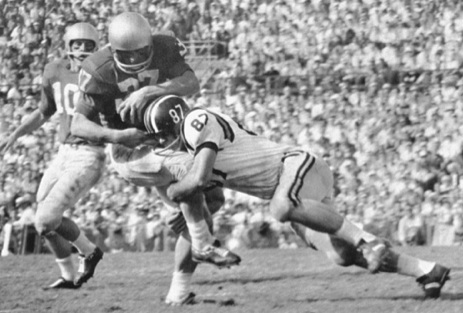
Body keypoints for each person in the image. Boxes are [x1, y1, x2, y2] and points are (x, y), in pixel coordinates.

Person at [143, 95, 451, 299]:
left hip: (293, 164)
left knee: (280, 208)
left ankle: (369, 241)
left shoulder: (197, 120)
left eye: (165, 136)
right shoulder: (189, 147)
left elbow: (197, 179)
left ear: (176, 121)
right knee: (341, 256)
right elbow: (206, 195)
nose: (166, 144)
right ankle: (426, 270)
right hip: (295, 187)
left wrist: (172, 190)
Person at [70, 12, 240, 304]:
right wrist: (118, 136)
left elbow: (191, 82)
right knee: (191, 177)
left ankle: (179, 293)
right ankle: (201, 242)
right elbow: (78, 125)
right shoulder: (98, 69)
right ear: (113, 51)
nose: (137, 58)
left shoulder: (163, 46)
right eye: (129, 53)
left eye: (142, 51)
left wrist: (152, 90)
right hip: (130, 150)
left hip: (167, 140)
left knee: (212, 202)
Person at [0, 23, 105, 289]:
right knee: (43, 222)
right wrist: (16, 134)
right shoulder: (54, 70)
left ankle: (89, 251)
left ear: (97, 48)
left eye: (88, 45)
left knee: (46, 217)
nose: (82, 50)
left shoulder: (104, 74)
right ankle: (70, 275)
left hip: (89, 153)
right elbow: (44, 112)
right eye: (77, 44)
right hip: (64, 152)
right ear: (67, 47)